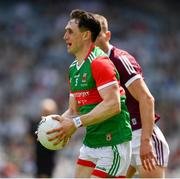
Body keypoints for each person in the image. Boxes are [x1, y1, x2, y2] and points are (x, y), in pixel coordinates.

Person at [46, 9, 132, 178]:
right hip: (91, 143)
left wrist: (75, 123)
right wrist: (55, 126)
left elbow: (113, 105)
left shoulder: (99, 63)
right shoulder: (73, 69)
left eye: (70, 32)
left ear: (85, 35)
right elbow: (73, 111)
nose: (65, 37)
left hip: (112, 143)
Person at [94, 14, 170, 178]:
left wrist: (145, 141)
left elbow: (146, 98)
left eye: (96, 35)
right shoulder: (91, 66)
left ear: (107, 36)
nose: (92, 41)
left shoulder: (119, 59)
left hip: (140, 134)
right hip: (118, 139)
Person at [29, 98, 58, 178]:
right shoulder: (35, 124)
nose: (48, 114)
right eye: (46, 111)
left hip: (51, 158)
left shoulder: (58, 125)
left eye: (50, 112)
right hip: (38, 157)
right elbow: (30, 139)